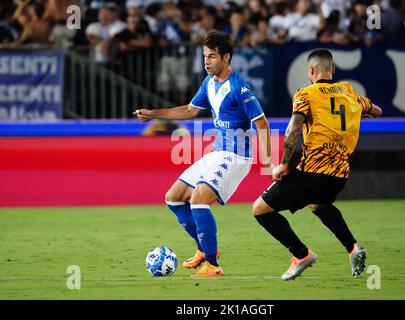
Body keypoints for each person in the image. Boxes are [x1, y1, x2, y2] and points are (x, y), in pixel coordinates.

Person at [134, 30, 273, 277]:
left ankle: (213, 266)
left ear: (226, 57)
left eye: (212, 56)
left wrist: (269, 164)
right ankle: (205, 248)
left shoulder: (239, 88)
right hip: (217, 152)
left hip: (236, 156)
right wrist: (153, 113)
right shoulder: (208, 83)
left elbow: (261, 123)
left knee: (198, 199)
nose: (206, 61)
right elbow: (189, 110)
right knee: (173, 197)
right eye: (205, 56)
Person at [252, 49, 382, 281]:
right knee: (318, 204)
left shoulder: (306, 94)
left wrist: (282, 164)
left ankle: (302, 255)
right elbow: (376, 111)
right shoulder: (349, 92)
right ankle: (353, 248)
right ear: (332, 70)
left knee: (260, 210)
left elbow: (293, 129)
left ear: (310, 71)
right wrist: (355, 115)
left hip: (313, 171)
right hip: (340, 175)